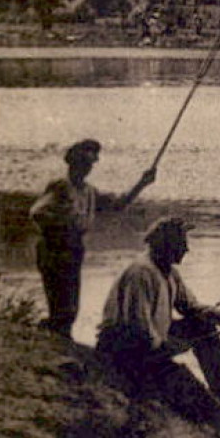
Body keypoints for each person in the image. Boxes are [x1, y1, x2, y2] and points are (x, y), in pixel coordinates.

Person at [95, 217, 220, 438]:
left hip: (149, 337)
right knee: (180, 376)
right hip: (125, 347)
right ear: (166, 245)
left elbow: (191, 308)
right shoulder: (141, 273)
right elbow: (138, 325)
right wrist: (165, 346)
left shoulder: (169, 272)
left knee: (202, 325)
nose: (187, 249)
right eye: (181, 243)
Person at [30, 139, 156, 338]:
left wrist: (142, 184)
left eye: (89, 165)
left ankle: (59, 341)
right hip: (54, 247)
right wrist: (61, 227)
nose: (87, 169)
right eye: (83, 164)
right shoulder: (61, 186)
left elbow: (118, 205)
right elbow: (37, 212)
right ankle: (54, 343)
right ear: (73, 163)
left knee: (70, 307)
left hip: (73, 248)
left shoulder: (89, 191)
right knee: (60, 304)